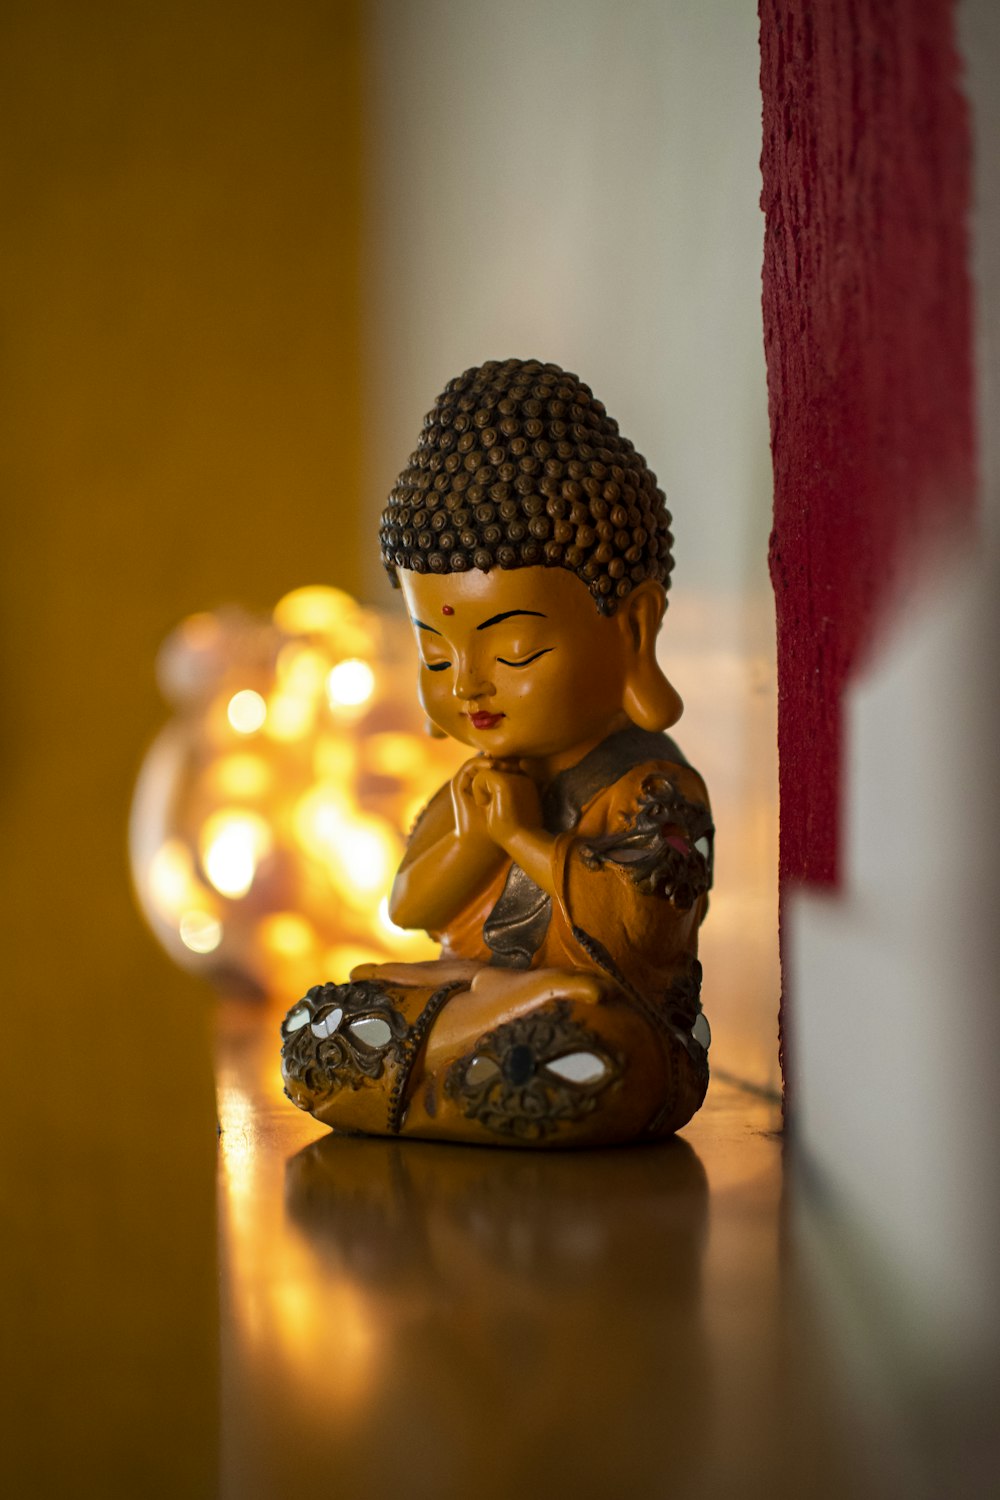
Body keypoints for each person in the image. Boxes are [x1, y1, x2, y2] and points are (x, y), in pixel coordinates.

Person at [281, 359, 713, 1146]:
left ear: (634, 628)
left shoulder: (652, 786)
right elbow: (411, 908)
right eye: (437, 658)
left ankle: (429, 1075)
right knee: (328, 1015)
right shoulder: (476, 785)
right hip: (489, 1009)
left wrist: (524, 840)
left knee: (593, 1035)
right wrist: (479, 837)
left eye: (512, 653)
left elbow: (638, 940)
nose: (470, 687)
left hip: (618, 1023)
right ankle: (470, 1068)